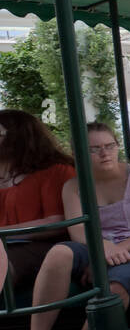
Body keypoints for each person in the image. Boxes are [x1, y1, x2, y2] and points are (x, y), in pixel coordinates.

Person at [20, 123, 130, 330]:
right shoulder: (73, 186)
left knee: (115, 282)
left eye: (109, 146)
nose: (105, 153)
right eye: (94, 149)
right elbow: (78, 230)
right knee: (59, 253)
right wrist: (103, 249)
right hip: (99, 246)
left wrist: (113, 253)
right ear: (78, 153)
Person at [0, 109, 76, 299]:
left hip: (43, 245)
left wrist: (4, 234)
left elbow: (58, 221)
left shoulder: (57, 171)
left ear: (17, 138)